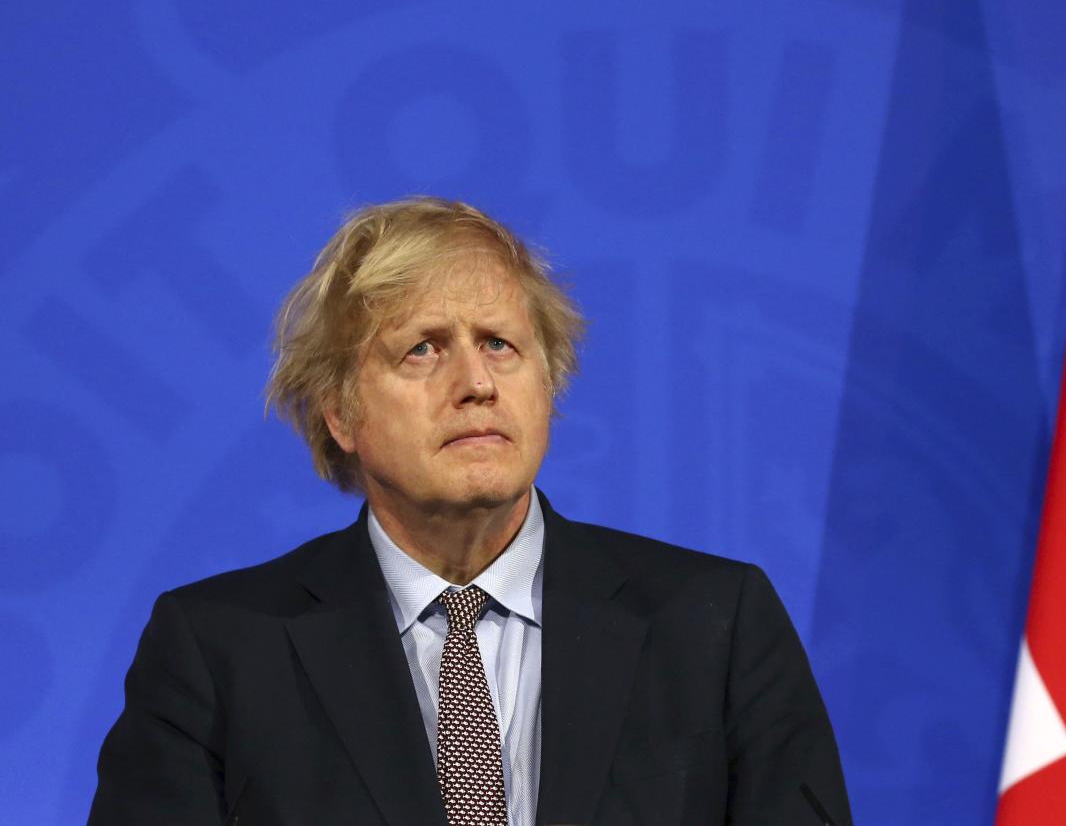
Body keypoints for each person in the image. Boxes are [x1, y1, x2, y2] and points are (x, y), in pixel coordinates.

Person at [89, 197, 852, 825]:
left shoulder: (715, 626)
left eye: (499, 344)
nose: (475, 383)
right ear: (341, 415)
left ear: (547, 389)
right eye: (422, 349)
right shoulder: (219, 651)